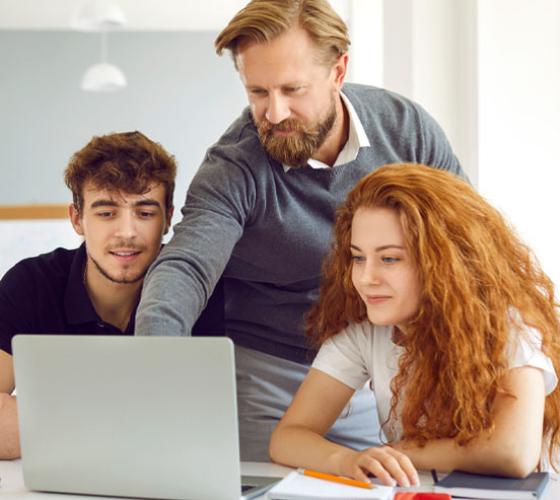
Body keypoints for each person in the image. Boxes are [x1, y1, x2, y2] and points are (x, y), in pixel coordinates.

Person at [135, 0, 466, 460]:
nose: (274, 113)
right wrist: (156, 361)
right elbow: (185, 267)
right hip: (268, 385)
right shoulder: (234, 166)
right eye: (257, 92)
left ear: (338, 71)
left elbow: (468, 247)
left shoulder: (406, 130)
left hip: (382, 377)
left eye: (293, 89)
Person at [269, 163, 560, 486]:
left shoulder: (509, 325)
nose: (366, 278)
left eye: (390, 258)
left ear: (446, 261)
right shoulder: (365, 334)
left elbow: (512, 452)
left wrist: (398, 451)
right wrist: (348, 459)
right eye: (358, 257)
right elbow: (287, 438)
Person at [0, 131, 177, 459]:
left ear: (167, 218)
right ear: (77, 219)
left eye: (145, 213)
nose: (127, 232)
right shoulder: (31, 284)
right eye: (107, 212)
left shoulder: (200, 289)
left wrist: (51, 424)